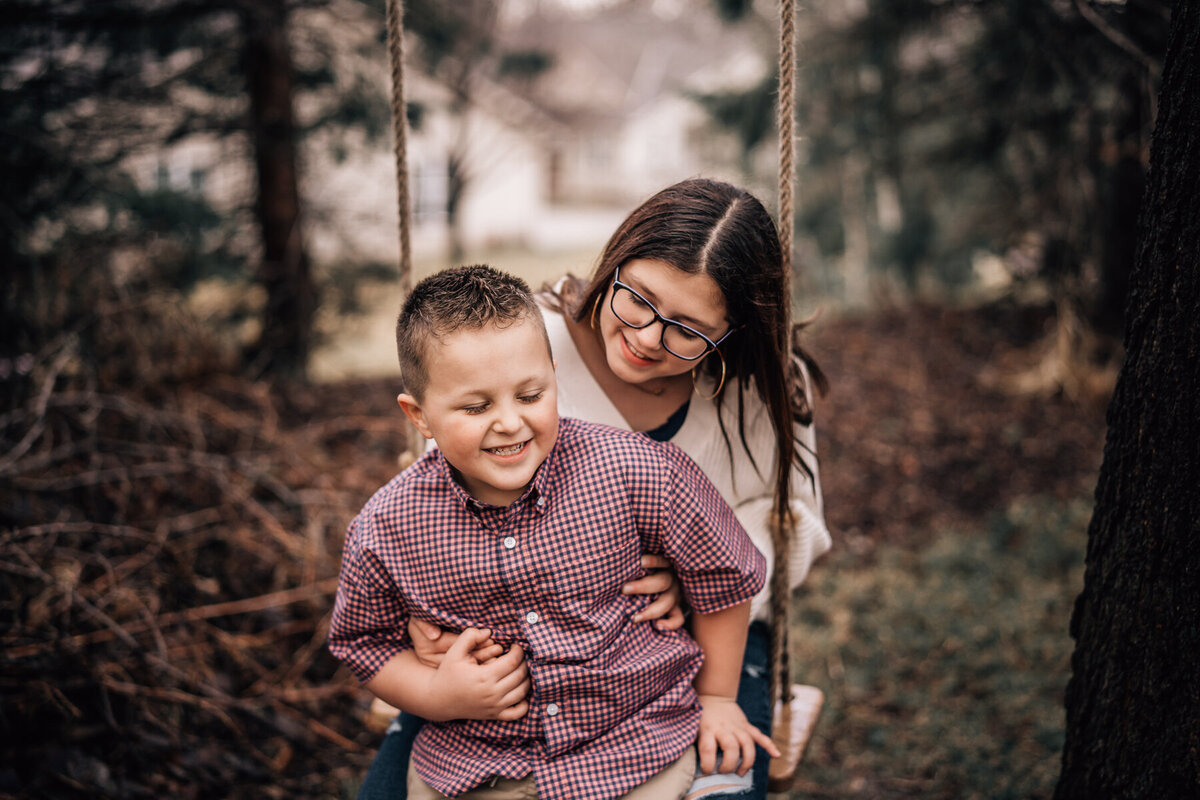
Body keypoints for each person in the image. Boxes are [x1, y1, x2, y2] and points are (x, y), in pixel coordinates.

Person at [358, 178, 832, 800]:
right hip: (517, 646)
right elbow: (445, 490)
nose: (646, 338)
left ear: (733, 331)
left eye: (688, 330)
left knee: (725, 782)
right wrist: (427, 619)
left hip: (703, 635)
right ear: (616, 259)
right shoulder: (520, 343)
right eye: (638, 299)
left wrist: (696, 582)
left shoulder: (761, 385)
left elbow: (796, 523)